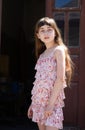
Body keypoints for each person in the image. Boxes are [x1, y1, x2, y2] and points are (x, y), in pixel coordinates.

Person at [27, 17, 74, 130]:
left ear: (55, 32)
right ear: (38, 35)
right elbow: (39, 82)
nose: (46, 33)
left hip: (52, 104)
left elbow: (60, 79)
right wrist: (33, 103)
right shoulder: (42, 55)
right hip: (39, 103)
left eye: (49, 29)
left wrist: (51, 105)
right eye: (42, 30)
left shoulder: (58, 50)